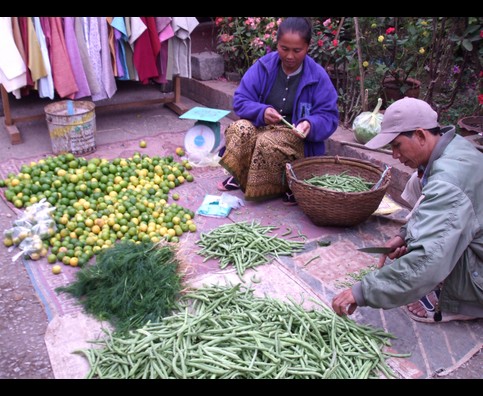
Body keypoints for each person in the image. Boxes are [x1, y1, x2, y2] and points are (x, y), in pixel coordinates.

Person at [332, 97, 483, 323]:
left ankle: (461, 303)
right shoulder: (454, 146)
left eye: (396, 145)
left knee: (432, 256)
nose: (394, 156)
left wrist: (363, 291)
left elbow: (427, 261)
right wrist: (404, 236)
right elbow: (435, 213)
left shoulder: (448, 182)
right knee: (418, 184)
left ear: (421, 135)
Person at [217, 17, 339, 205]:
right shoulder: (264, 66)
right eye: (284, 48)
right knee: (239, 128)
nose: (290, 56)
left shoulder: (317, 76)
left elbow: (329, 116)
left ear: (307, 47)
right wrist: (262, 112)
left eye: (297, 50)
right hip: (262, 128)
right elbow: (241, 100)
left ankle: (288, 184)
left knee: (267, 142)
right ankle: (243, 176)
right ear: (277, 44)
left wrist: (310, 123)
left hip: (296, 141)